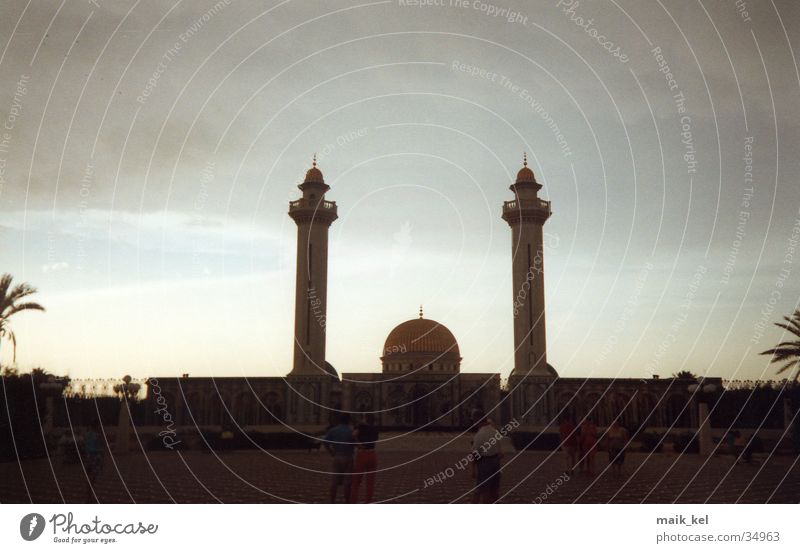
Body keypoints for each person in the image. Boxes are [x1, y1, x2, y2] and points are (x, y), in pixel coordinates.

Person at [470, 409, 503, 503]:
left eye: (474, 420)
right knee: (494, 490)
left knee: (484, 491)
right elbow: (500, 453)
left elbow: (475, 453)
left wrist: (473, 469)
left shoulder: (480, 434)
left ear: (477, 420)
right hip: (496, 463)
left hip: (485, 463)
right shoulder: (494, 431)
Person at [323, 412, 354, 503]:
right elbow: (356, 444)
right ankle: (347, 502)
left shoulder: (333, 430)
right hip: (348, 457)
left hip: (337, 457)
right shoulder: (350, 431)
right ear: (348, 420)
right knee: (347, 483)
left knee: (334, 482)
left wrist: (331, 452)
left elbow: (325, 442)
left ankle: (332, 501)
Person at [350, 413, 379, 503]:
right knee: (370, 483)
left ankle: (353, 502)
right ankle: (367, 502)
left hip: (362, 455)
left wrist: (356, 440)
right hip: (372, 455)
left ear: (365, 419)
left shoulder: (360, 427)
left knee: (356, 482)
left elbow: (353, 438)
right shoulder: (375, 429)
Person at [83, 419, 104, 502]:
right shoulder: (97, 435)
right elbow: (101, 447)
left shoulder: (87, 435)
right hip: (95, 457)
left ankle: (88, 496)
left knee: (89, 478)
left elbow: (85, 446)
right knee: (93, 478)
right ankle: (89, 497)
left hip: (88, 457)